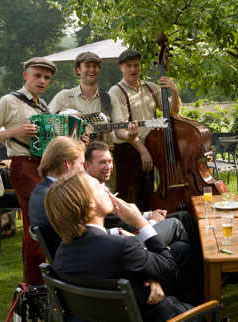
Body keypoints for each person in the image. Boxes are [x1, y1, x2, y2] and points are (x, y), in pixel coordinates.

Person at [45, 169, 195, 321]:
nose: (106, 188)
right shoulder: (123, 247)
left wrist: (149, 275)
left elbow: (110, 267)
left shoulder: (61, 254)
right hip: (164, 317)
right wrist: (141, 223)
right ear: (91, 203)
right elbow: (169, 266)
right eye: (98, 186)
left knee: (182, 250)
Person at [84, 141, 195, 302]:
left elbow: (117, 219)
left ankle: (195, 281)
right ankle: (198, 279)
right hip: (126, 243)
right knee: (177, 224)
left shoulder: (95, 185)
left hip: (121, 238)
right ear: (87, 166)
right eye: (102, 162)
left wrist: (148, 214)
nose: (108, 166)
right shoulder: (89, 191)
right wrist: (149, 224)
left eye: (110, 162)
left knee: (182, 238)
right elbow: (118, 220)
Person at [0, 57, 56, 285]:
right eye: (37, 76)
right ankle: (34, 286)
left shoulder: (45, 106)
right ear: (26, 75)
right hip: (23, 166)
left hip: (45, 167)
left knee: (41, 226)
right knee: (37, 228)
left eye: (46, 78)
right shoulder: (9, 101)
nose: (42, 81)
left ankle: (37, 284)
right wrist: (14, 131)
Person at [109, 49, 181, 211]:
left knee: (147, 196)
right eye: (128, 66)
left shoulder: (151, 88)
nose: (133, 69)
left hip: (151, 147)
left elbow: (172, 112)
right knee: (129, 200)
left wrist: (175, 92)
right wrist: (143, 151)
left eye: (136, 65)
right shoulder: (116, 92)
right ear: (121, 67)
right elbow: (123, 128)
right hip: (128, 150)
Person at [48, 51, 138, 156]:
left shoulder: (110, 99)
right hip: (72, 157)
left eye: (95, 66)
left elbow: (119, 131)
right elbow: (47, 123)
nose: (91, 70)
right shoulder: (64, 96)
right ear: (78, 70)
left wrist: (130, 135)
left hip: (102, 158)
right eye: (87, 66)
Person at [29, 136, 85, 259]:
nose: (83, 171)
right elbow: (83, 235)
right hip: (78, 263)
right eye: (81, 164)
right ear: (68, 164)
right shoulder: (59, 196)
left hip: (62, 262)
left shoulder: (39, 192)